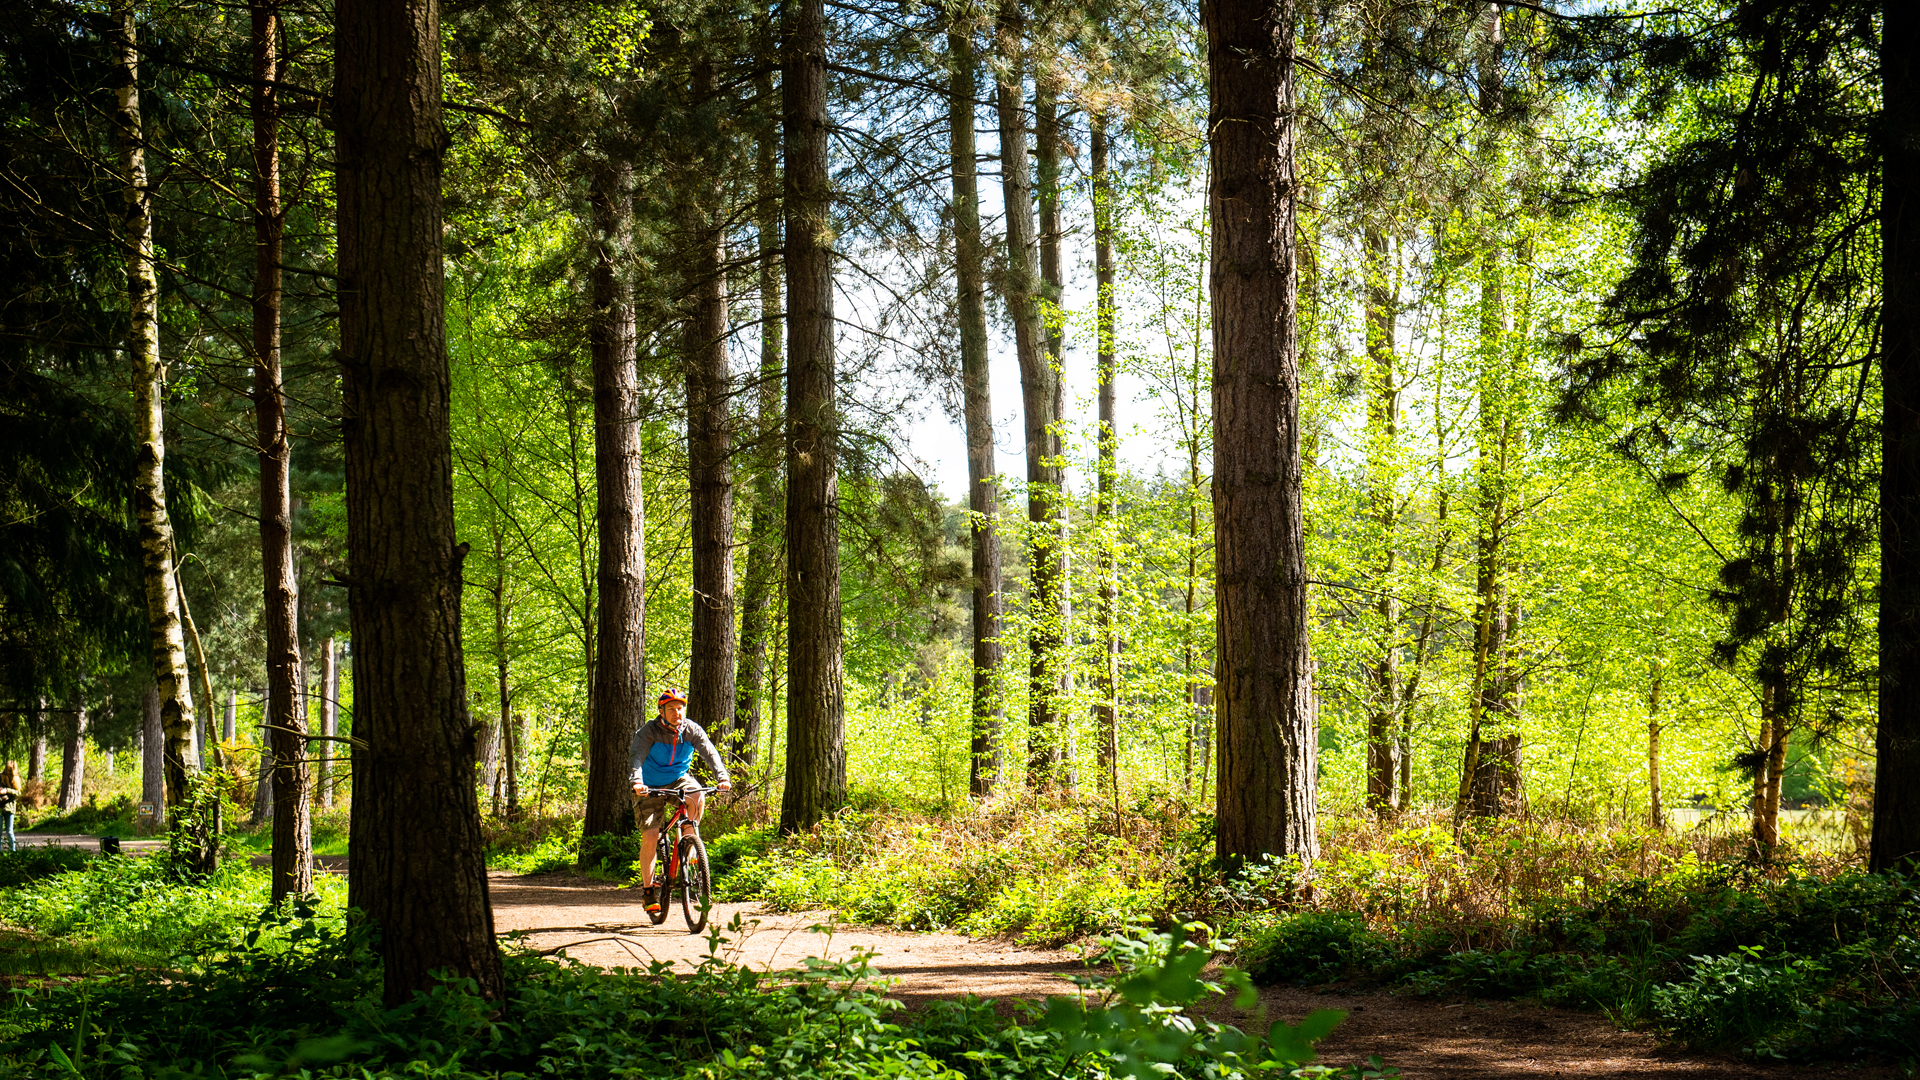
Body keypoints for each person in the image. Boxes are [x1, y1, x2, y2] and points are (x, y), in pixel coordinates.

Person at [629, 687, 731, 914]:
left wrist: (722, 777)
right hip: (649, 784)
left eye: (680, 708)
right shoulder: (649, 731)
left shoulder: (691, 729)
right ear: (661, 712)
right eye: (671, 709)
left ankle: (689, 841)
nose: (677, 712)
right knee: (651, 836)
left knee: (697, 794)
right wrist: (637, 782)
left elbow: (710, 752)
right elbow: (636, 757)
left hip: (678, 779)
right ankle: (648, 892)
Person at [0, 761, 20, 853]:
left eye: (10, 770)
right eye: (7, 770)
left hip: (10, 808)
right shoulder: (0, 776)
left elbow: (18, 793)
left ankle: (13, 851)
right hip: (0, 807)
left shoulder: (15, 779)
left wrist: (7, 790)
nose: (7, 772)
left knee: (9, 831)